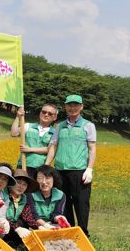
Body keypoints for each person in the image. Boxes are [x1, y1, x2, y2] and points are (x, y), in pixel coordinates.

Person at [45, 94, 96, 235]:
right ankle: (69, 231)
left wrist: (89, 169)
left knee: (81, 203)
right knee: (64, 202)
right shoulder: (59, 126)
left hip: (79, 171)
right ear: (65, 106)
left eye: (76, 105)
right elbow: (53, 146)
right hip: (60, 171)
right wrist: (46, 166)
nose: (72, 108)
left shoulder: (88, 126)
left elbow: (92, 149)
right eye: (69, 105)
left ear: (81, 107)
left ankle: (83, 233)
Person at [11, 104, 57, 178]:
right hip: (23, 164)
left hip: (40, 167)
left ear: (55, 117)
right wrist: (17, 117)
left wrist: (29, 149)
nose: (46, 115)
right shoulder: (28, 126)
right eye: (44, 112)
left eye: (50, 113)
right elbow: (14, 133)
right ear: (40, 113)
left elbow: (49, 149)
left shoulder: (55, 132)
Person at [2, 168, 41, 246]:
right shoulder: (2, 195)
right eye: (18, 182)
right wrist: (17, 228)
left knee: (23, 222)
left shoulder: (23, 198)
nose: (21, 186)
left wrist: (40, 227)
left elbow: (28, 217)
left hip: (13, 227)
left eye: (24, 184)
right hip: (1, 226)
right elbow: (0, 218)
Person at [31, 165, 70, 229]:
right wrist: (45, 225)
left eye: (47, 178)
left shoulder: (60, 195)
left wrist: (58, 218)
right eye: (40, 178)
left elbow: (57, 212)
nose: (44, 182)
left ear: (54, 179)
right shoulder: (31, 195)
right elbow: (33, 215)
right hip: (34, 225)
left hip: (52, 223)